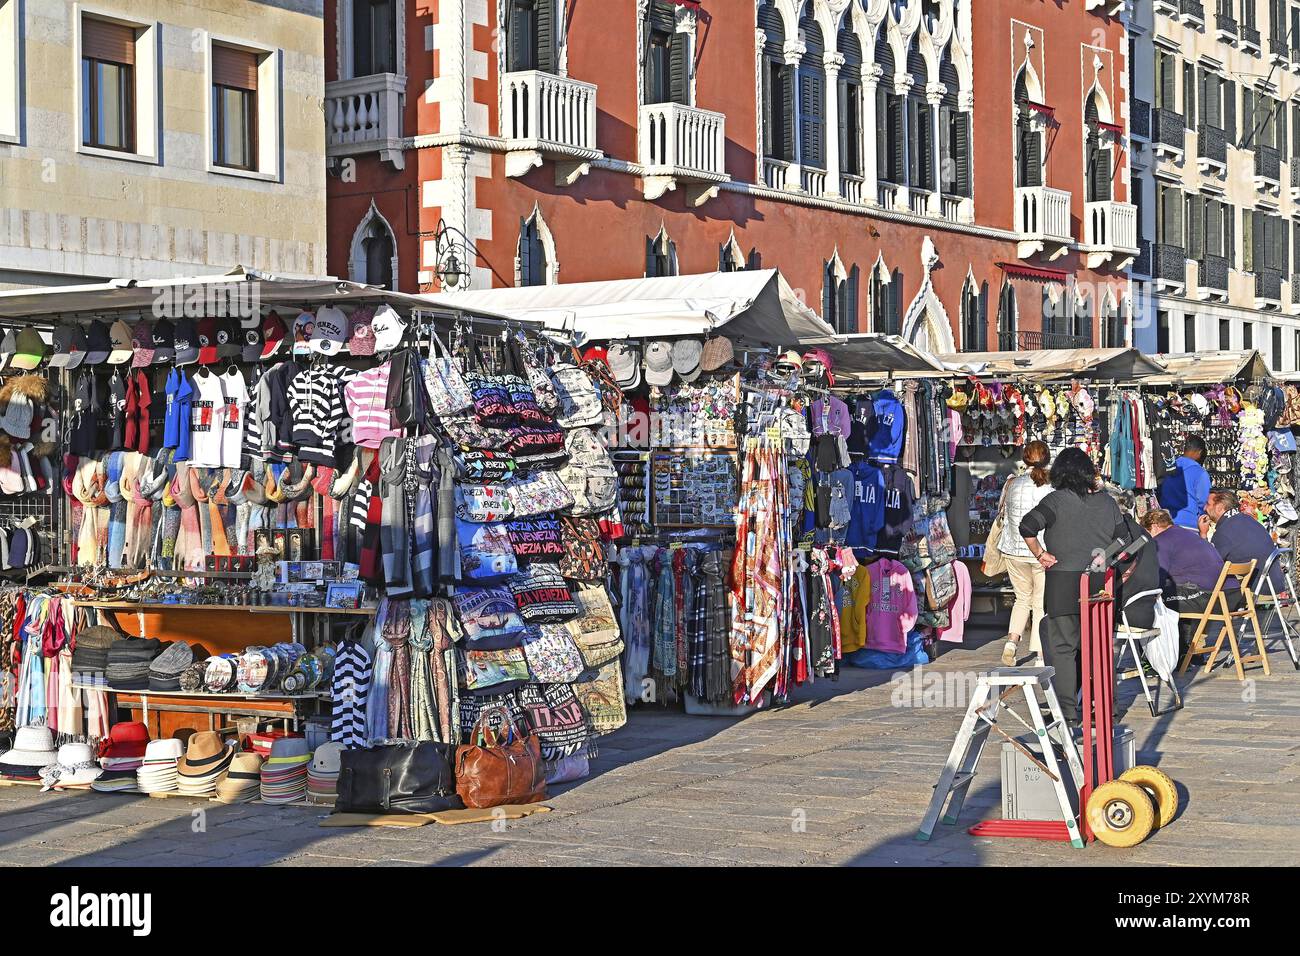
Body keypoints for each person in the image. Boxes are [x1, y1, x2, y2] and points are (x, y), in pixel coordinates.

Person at [1018, 448, 1127, 727]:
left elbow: (1027, 526)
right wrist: (1102, 559)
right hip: (1098, 581)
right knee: (1099, 646)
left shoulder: (1055, 501)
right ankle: (1107, 707)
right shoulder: (1107, 503)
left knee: (1063, 647)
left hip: (1063, 581)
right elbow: (1124, 541)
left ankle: (1067, 711)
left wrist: (1040, 554)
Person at [1141, 507, 1240, 654]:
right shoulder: (1189, 534)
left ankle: (1181, 653)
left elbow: (1157, 577)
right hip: (1231, 595)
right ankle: (1190, 652)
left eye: (1147, 533)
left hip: (1213, 598)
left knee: (1156, 601)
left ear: (1154, 527)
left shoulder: (1161, 541)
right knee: (1178, 593)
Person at [997, 440, 1053, 665]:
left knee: (1021, 599)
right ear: (1047, 458)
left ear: (1025, 458)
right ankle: (1040, 655)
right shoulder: (1052, 486)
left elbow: (1001, 512)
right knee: (1040, 603)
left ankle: (1011, 644)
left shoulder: (1011, 483)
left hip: (1012, 549)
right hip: (1041, 552)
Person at [1199, 489, 1287, 595]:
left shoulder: (1225, 531)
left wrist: (1203, 535)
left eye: (1208, 504)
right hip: (1275, 584)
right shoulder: (1248, 520)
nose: (1204, 508)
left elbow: (1207, 565)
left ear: (1219, 508)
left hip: (1258, 591)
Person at [1156, 436, 1210, 529]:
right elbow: (1202, 501)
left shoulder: (1169, 467)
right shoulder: (1200, 472)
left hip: (1166, 523)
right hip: (1189, 523)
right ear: (1200, 452)